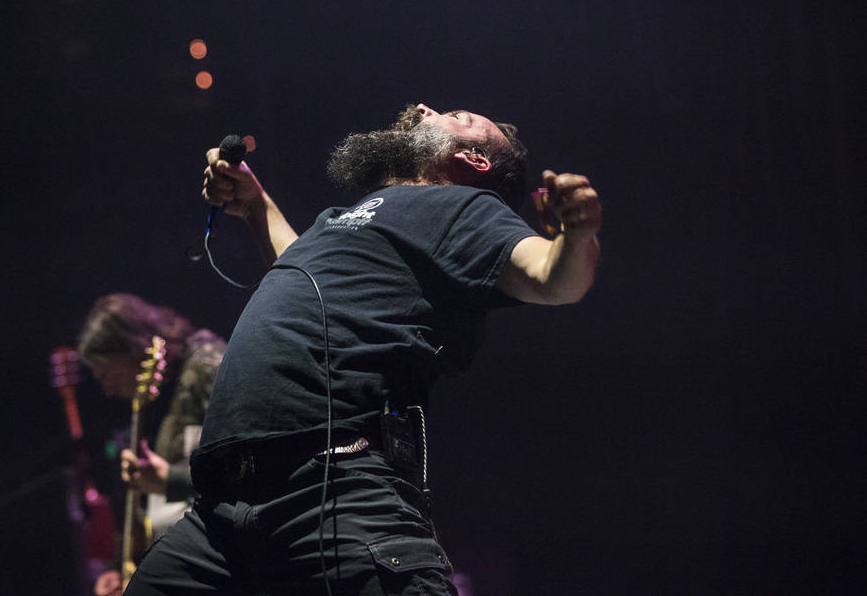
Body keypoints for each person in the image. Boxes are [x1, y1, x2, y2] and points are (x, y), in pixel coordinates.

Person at [123, 103, 602, 595]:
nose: (422, 107)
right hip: (217, 513)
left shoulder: (464, 208)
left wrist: (578, 233)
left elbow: (552, 278)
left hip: (332, 495)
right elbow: (303, 268)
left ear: (473, 159)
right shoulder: (345, 217)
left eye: (454, 114)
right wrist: (255, 203)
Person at [77, 293, 226, 596]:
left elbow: (247, 468)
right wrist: (118, 568)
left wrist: (171, 480)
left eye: (106, 373)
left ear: (131, 347)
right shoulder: (148, 403)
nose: (105, 388)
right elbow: (146, 510)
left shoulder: (207, 365)